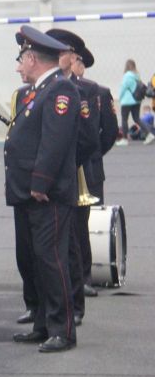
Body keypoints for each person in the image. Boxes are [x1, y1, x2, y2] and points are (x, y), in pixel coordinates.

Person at [6, 26, 79, 353]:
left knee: (52, 261)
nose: (18, 67)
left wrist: (40, 182)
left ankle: (62, 330)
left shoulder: (60, 90)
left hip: (46, 194)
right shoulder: (37, 91)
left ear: (32, 58)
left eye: (21, 59)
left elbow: (54, 141)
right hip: (26, 193)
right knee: (33, 261)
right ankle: (42, 324)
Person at [46, 28, 100, 326]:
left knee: (72, 243)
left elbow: (90, 138)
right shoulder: (43, 87)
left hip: (71, 175)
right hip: (47, 178)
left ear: (72, 57)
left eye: (62, 51)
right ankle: (43, 305)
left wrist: (67, 164)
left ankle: (75, 304)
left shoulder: (84, 90)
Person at [73, 45, 118, 296]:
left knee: (87, 225)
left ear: (81, 65)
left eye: (77, 61)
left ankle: (86, 275)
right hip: (67, 170)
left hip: (90, 169)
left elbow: (109, 132)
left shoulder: (99, 93)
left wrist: (93, 154)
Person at [117, 58, 154, 145]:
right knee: (137, 118)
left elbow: (123, 88)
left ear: (126, 66)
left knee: (124, 119)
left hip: (127, 101)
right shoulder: (137, 76)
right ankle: (149, 134)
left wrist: (120, 98)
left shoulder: (127, 76)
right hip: (137, 100)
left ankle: (125, 139)